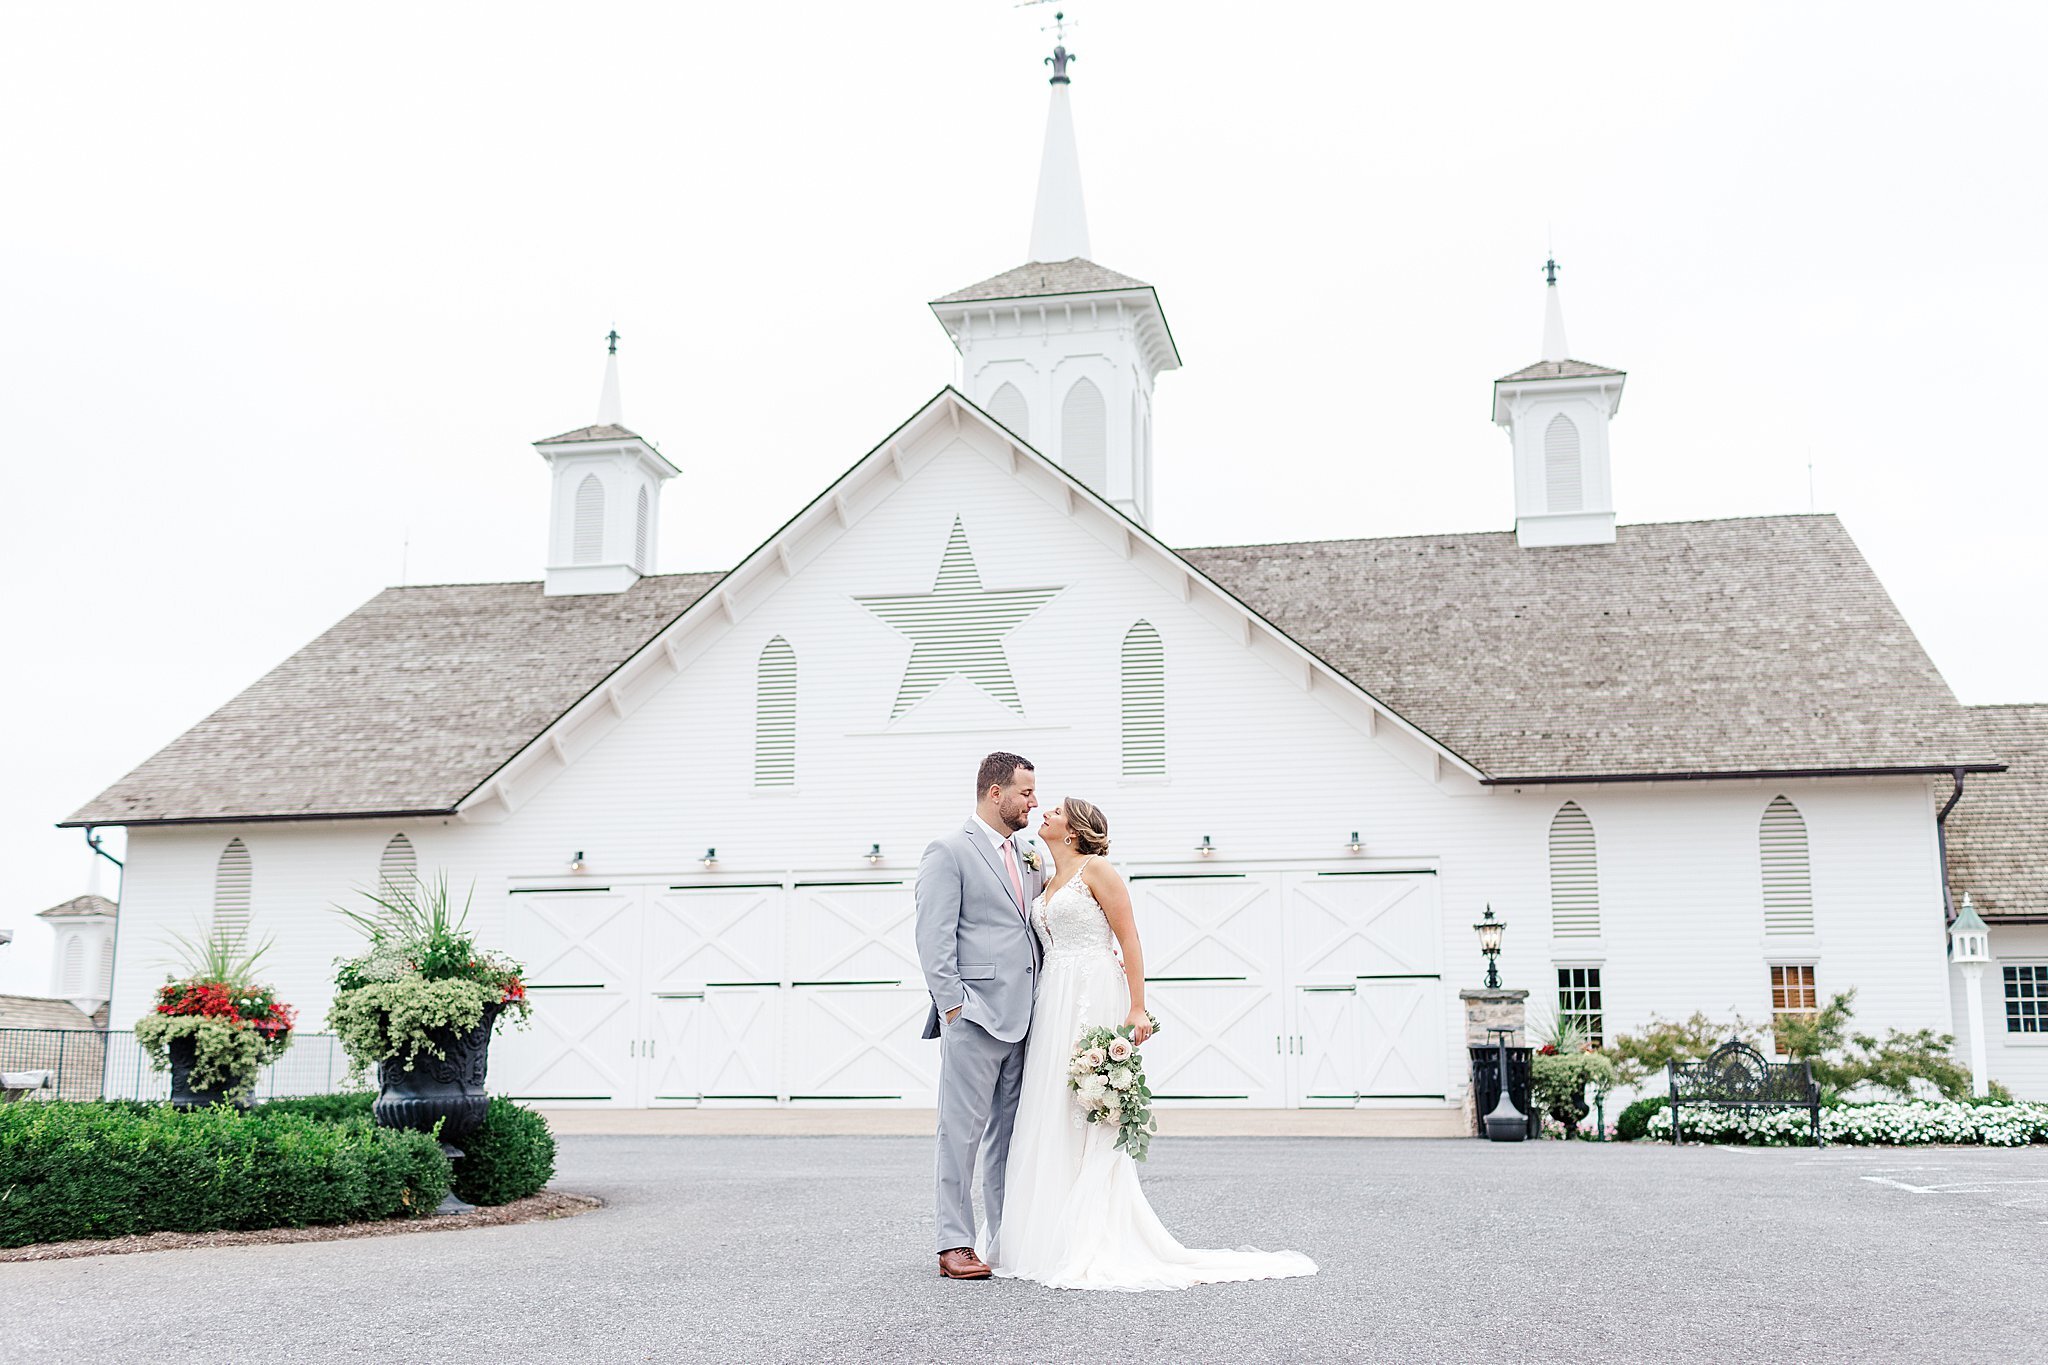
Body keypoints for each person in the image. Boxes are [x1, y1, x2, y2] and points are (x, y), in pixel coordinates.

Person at [987, 796, 1318, 1292]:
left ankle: (1090, 1232)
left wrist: (1137, 1007)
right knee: (1050, 1106)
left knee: (1087, 1105)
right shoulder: (1046, 875)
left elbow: (1130, 938)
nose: (1046, 814)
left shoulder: (1099, 872)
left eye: (1055, 811)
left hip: (1093, 989)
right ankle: (1043, 1233)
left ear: (1074, 830)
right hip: (1052, 995)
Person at [914, 751, 1045, 1280]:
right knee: (961, 1132)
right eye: (1026, 792)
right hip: (975, 1016)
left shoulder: (1032, 851)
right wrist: (954, 1007)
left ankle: (1003, 1235)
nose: (1034, 802)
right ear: (996, 793)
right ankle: (954, 1242)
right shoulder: (949, 851)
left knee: (1010, 1136)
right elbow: (933, 937)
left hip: (1029, 1016)